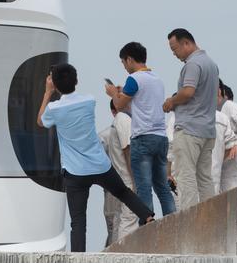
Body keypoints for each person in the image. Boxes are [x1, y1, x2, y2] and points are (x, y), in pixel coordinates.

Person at [37, 63, 153, 251]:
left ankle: (79, 258)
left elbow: (40, 121)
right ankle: (148, 216)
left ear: (56, 85)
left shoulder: (54, 109)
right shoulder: (89, 101)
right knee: (123, 192)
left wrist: (47, 92)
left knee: (78, 222)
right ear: (76, 81)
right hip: (100, 165)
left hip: (75, 172)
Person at [106, 42, 176, 217]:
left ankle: (147, 227)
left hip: (143, 138)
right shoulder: (157, 79)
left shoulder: (134, 79)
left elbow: (120, 105)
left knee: (143, 187)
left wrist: (113, 93)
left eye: (123, 62)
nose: (124, 67)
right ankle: (172, 221)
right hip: (160, 138)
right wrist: (123, 92)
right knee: (162, 186)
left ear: (129, 59)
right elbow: (141, 103)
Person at [163, 28, 219, 210]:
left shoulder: (193, 64)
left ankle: (189, 219)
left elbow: (188, 91)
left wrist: (172, 101)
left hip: (189, 129)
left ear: (186, 43)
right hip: (208, 130)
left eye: (175, 49)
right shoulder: (211, 63)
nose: (174, 54)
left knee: (185, 176)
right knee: (204, 178)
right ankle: (210, 216)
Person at [99, 100, 138, 246]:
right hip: (119, 187)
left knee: (115, 226)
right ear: (114, 112)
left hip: (112, 188)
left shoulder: (103, 135)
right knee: (117, 225)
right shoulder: (107, 135)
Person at [210, 109, 236, 194]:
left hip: (189, 177)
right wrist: (219, 160)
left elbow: (171, 145)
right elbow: (231, 146)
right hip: (214, 176)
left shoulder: (184, 112)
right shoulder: (222, 118)